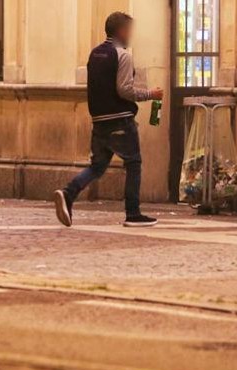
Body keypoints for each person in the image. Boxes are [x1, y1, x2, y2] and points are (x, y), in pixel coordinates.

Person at [53, 12, 163, 228]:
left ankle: (68, 193)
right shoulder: (122, 55)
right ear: (122, 31)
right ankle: (133, 213)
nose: (131, 34)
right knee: (134, 164)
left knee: (97, 166)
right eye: (130, 30)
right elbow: (124, 90)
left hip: (99, 120)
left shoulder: (95, 54)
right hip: (120, 119)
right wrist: (151, 94)